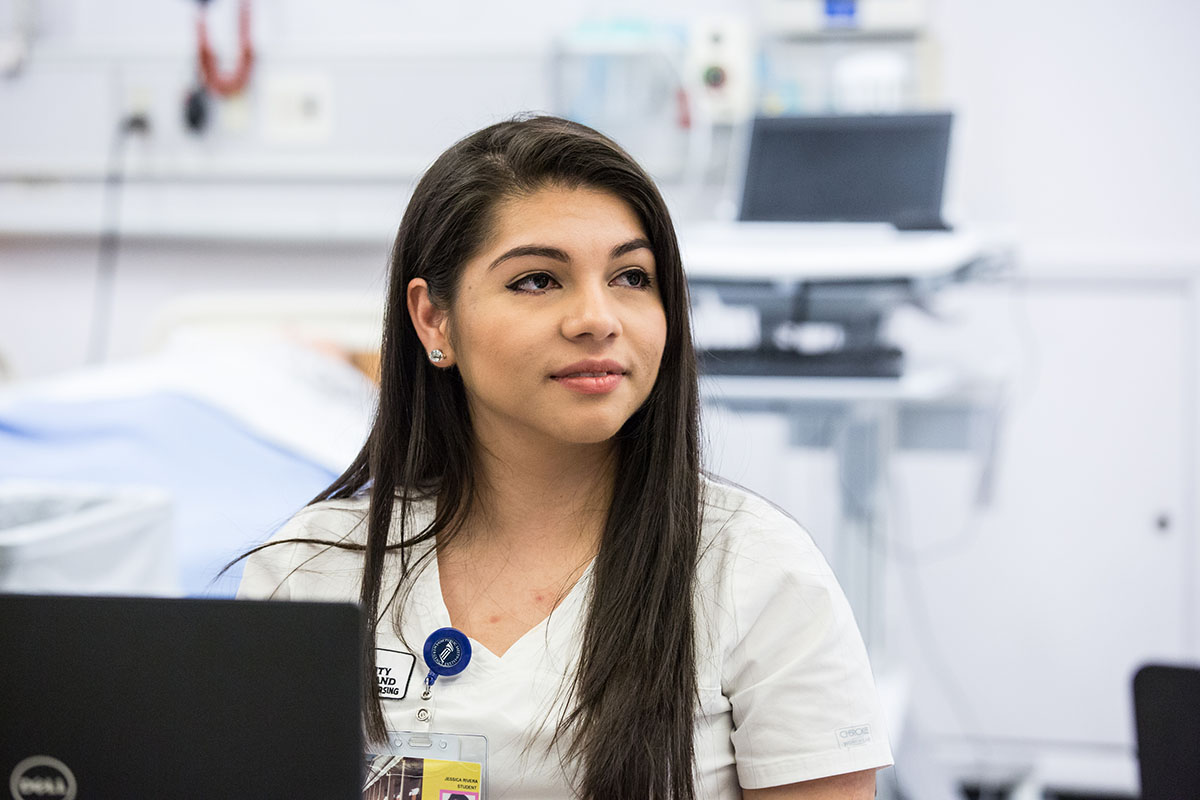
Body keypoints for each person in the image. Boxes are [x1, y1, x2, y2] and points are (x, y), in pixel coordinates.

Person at [238, 115, 893, 799]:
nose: (597, 318)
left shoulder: (758, 573)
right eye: (537, 281)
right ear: (435, 319)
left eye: (632, 277)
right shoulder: (310, 572)